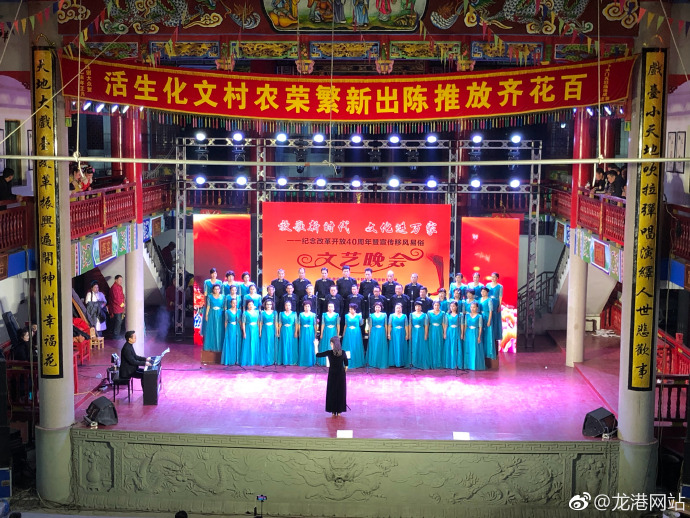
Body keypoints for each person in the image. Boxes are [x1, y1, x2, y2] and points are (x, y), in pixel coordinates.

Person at [314, 336, 348, 417]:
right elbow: (346, 364)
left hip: (332, 374)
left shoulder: (329, 353)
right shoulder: (343, 352)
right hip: (341, 375)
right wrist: (343, 371)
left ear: (332, 344)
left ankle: (333, 411)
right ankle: (339, 411)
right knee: (340, 392)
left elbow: (317, 355)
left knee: (332, 392)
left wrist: (316, 345)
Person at [342, 304, 365, 369]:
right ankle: (347, 361)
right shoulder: (346, 315)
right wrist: (343, 333)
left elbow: (361, 323)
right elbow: (345, 325)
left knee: (356, 346)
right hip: (348, 332)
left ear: (355, 310)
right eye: (349, 309)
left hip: (356, 333)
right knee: (348, 346)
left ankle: (357, 361)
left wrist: (361, 317)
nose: (350, 310)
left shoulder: (358, 315)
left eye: (352, 309)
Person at [366, 302, 388, 369]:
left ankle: (381, 362)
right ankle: (374, 362)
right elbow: (370, 325)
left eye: (379, 307)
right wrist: (369, 333)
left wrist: (386, 333)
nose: (377, 308)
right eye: (376, 307)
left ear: (381, 308)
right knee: (374, 346)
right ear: (374, 308)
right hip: (374, 332)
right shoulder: (371, 315)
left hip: (381, 332)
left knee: (380, 346)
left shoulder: (384, 315)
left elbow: (386, 325)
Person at [464, 302, 485, 371]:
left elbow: (480, 327)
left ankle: (475, 365)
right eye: (471, 307)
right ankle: (468, 365)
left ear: (477, 308)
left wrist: (479, 336)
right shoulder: (467, 315)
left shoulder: (479, 316)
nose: (472, 308)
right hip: (468, 332)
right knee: (468, 348)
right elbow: (465, 325)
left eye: (474, 307)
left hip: (475, 332)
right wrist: (464, 334)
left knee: (475, 348)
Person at [204, 284, 225, 352]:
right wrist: (206, 314)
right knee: (212, 329)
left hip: (220, 314)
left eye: (218, 289)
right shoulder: (210, 296)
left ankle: (219, 346)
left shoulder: (223, 296)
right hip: (212, 313)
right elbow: (208, 306)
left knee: (219, 329)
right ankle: (211, 346)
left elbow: (224, 307)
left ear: (220, 289)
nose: (216, 290)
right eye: (215, 289)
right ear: (213, 290)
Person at [318, 302, 340, 367]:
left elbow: (338, 324)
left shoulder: (336, 315)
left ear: (334, 308)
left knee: (333, 345)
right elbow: (322, 324)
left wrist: (338, 334)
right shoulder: (324, 314)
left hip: (333, 331)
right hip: (326, 331)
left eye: (331, 306)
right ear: (327, 307)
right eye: (329, 306)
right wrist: (321, 333)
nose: (330, 308)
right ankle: (324, 361)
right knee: (326, 344)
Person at [221, 297, 241, 365]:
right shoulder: (227, 311)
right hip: (230, 327)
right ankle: (229, 359)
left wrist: (241, 328)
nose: (234, 304)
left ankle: (236, 360)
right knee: (230, 342)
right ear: (230, 303)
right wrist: (226, 330)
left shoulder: (239, 311)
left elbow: (240, 321)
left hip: (237, 328)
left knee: (236, 342)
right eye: (233, 303)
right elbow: (226, 321)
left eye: (235, 303)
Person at [387, 302, 409, 367]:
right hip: (394, 333)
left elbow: (406, 326)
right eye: (397, 308)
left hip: (402, 332)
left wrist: (407, 334)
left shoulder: (404, 316)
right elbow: (389, 325)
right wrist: (388, 334)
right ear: (395, 308)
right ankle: (394, 362)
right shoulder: (391, 315)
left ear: (401, 308)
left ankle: (401, 362)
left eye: (399, 308)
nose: (398, 309)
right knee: (394, 346)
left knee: (401, 346)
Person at [443, 301, 463, 369]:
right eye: (451, 306)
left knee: (456, 347)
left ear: (456, 307)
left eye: (454, 306)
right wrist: (445, 333)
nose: (452, 307)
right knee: (449, 346)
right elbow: (446, 324)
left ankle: (457, 364)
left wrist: (462, 333)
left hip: (457, 331)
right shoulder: (447, 315)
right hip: (449, 331)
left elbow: (462, 325)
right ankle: (450, 363)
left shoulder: (460, 315)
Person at [240, 299, 260, 366]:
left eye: (252, 304)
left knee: (255, 343)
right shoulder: (245, 313)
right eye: (249, 305)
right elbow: (243, 323)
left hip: (255, 329)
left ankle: (254, 360)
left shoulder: (257, 312)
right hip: (248, 329)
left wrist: (259, 331)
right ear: (247, 305)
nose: (250, 306)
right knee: (248, 344)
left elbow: (258, 322)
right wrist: (244, 332)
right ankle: (248, 360)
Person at [202, 269, 222, 337]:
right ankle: (208, 335)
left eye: (215, 273)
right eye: (212, 273)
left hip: (217, 302)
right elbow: (205, 294)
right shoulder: (207, 282)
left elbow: (221, 293)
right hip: (209, 302)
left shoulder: (219, 282)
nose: (214, 275)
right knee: (207, 319)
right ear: (210, 274)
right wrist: (205, 303)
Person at [409, 301, 429, 369]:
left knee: (421, 346)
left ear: (421, 307)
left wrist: (426, 334)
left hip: (421, 331)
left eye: (419, 306)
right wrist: (409, 334)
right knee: (414, 346)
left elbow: (426, 325)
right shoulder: (411, 315)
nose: (418, 307)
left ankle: (421, 362)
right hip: (414, 331)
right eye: (416, 306)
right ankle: (413, 362)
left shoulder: (424, 315)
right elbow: (410, 325)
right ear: (415, 307)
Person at [277, 300, 298, 365]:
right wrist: (278, 332)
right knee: (284, 344)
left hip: (291, 330)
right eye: (286, 305)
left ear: (291, 306)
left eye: (289, 305)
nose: (287, 306)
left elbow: (296, 323)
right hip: (283, 330)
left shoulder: (294, 313)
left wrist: (296, 332)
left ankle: (291, 360)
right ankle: (284, 360)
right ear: (284, 306)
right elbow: (280, 323)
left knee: (291, 344)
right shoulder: (281, 313)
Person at [487, 272, 503, 351]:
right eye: (492, 277)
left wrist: (499, 305)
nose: (493, 278)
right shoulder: (487, 285)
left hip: (496, 303)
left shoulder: (500, 286)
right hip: (488, 303)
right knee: (489, 318)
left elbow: (500, 296)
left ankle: (495, 335)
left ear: (497, 278)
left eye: (494, 277)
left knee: (495, 320)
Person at [427, 300, 446, 369]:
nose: (436, 306)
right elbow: (427, 323)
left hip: (439, 330)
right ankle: (432, 363)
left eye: (438, 305)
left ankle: (439, 363)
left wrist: (444, 332)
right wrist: (427, 332)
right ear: (433, 306)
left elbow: (444, 323)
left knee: (439, 345)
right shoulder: (429, 313)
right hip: (431, 330)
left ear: (440, 306)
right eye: (435, 305)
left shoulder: (443, 313)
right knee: (432, 345)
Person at [258, 299, 278, 366]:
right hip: (265, 329)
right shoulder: (262, 313)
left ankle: (273, 359)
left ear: (272, 305)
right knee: (265, 344)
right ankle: (265, 359)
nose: (269, 305)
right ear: (265, 305)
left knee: (271, 343)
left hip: (272, 329)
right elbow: (260, 323)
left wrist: (277, 331)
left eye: (270, 304)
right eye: (267, 304)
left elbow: (276, 323)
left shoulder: (275, 313)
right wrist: (260, 332)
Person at [479, 286, 496, 361]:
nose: (483, 293)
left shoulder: (489, 300)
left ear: (487, 292)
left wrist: (489, 321)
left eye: (484, 291)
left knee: (488, 334)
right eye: (482, 291)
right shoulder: (479, 299)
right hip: (480, 317)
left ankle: (489, 352)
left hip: (487, 317)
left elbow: (491, 311)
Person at [298, 301, 317, 367]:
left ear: (310, 307)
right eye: (305, 306)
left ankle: (310, 361)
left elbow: (315, 324)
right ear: (304, 307)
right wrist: (299, 332)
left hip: (310, 331)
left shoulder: (313, 315)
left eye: (308, 306)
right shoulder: (301, 314)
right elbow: (299, 324)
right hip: (303, 331)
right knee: (303, 345)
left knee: (310, 345)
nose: (307, 307)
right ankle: (302, 361)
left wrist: (315, 332)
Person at [107, 275, 126, 340]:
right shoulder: (114, 288)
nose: (121, 281)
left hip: (120, 307)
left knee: (119, 321)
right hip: (116, 307)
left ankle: (117, 334)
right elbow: (116, 299)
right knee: (118, 321)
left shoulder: (120, 287)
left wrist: (124, 303)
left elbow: (122, 296)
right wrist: (122, 305)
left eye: (121, 280)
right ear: (116, 280)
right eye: (119, 280)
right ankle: (115, 335)